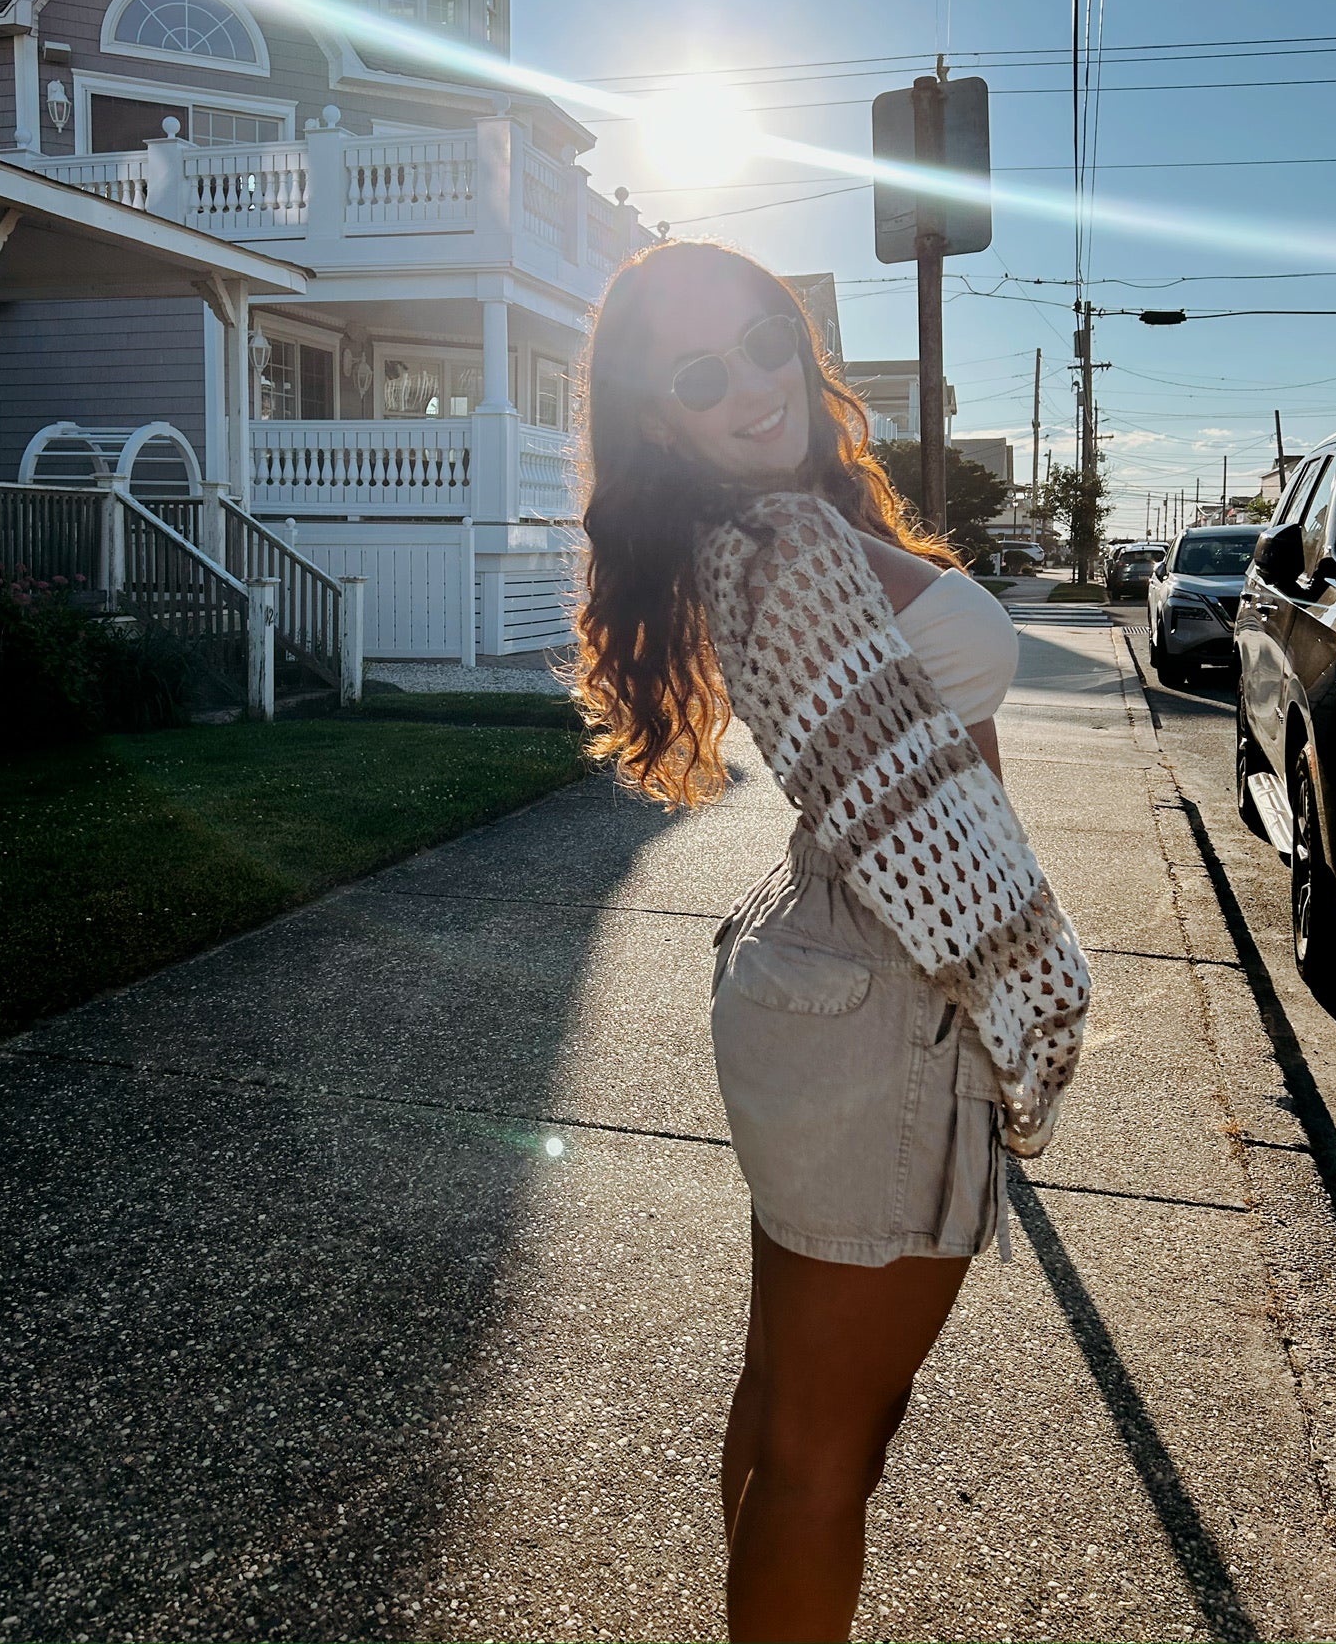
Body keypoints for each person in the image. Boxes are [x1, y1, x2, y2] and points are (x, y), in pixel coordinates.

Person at [570, 239, 1090, 1644]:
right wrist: (1020, 992)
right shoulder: (790, 547)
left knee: (794, 1403)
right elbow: (923, 827)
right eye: (698, 374)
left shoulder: (761, 528)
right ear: (658, 415)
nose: (749, 387)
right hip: (883, 999)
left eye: (760, 343)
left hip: (825, 979)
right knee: (826, 1451)